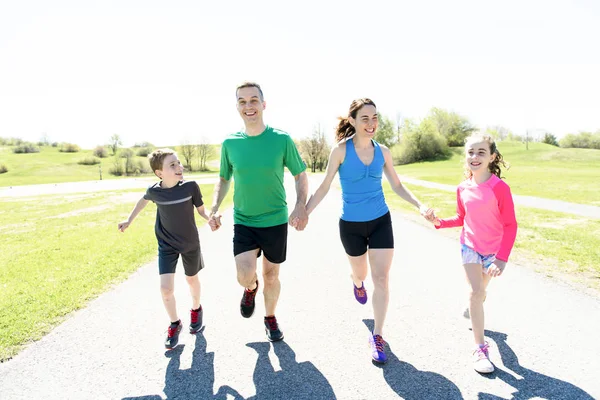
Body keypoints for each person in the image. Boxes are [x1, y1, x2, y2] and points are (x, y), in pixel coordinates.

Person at [305, 98, 434, 363]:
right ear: (352, 121)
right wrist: (304, 212)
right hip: (350, 225)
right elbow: (324, 186)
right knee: (361, 273)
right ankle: (356, 281)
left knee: (382, 278)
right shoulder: (340, 151)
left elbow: (397, 185)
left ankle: (377, 336)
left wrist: (419, 205)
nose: (371, 123)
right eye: (365, 118)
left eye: (374, 117)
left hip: (379, 221)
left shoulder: (383, 151)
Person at [209, 82, 308, 342]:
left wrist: (300, 205)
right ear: (237, 107)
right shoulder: (230, 143)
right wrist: (215, 207)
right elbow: (223, 178)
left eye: (253, 100)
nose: (248, 106)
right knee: (244, 275)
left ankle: (270, 317)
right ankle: (250, 289)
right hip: (244, 220)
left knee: (271, 274)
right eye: (242, 101)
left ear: (263, 105)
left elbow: (300, 174)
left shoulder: (281, 139)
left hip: (275, 219)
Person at [429, 134, 517, 374]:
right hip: (470, 246)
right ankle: (480, 349)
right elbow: (461, 218)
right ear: (465, 156)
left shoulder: (500, 188)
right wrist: (438, 222)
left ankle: (474, 305)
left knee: (480, 293)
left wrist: (501, 258)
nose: (475, 157)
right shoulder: (462, 188)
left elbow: (510, 225)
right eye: (470, 152)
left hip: (493, 251)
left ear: (492, 157)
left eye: (481, 152)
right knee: (476, 292)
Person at [118, 148, 209, 349]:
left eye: (178, 163)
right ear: (160, 173)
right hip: (166, 244)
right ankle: (175, 323)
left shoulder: (191, 187)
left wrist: (211, 219)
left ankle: (196, 309)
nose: (179, 167)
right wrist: (129, 220)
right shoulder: (155, 191)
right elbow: (143, 201)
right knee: (166, 289)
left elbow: (202, 211)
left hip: (189, 243)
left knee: (191, 279)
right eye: (172, 165)